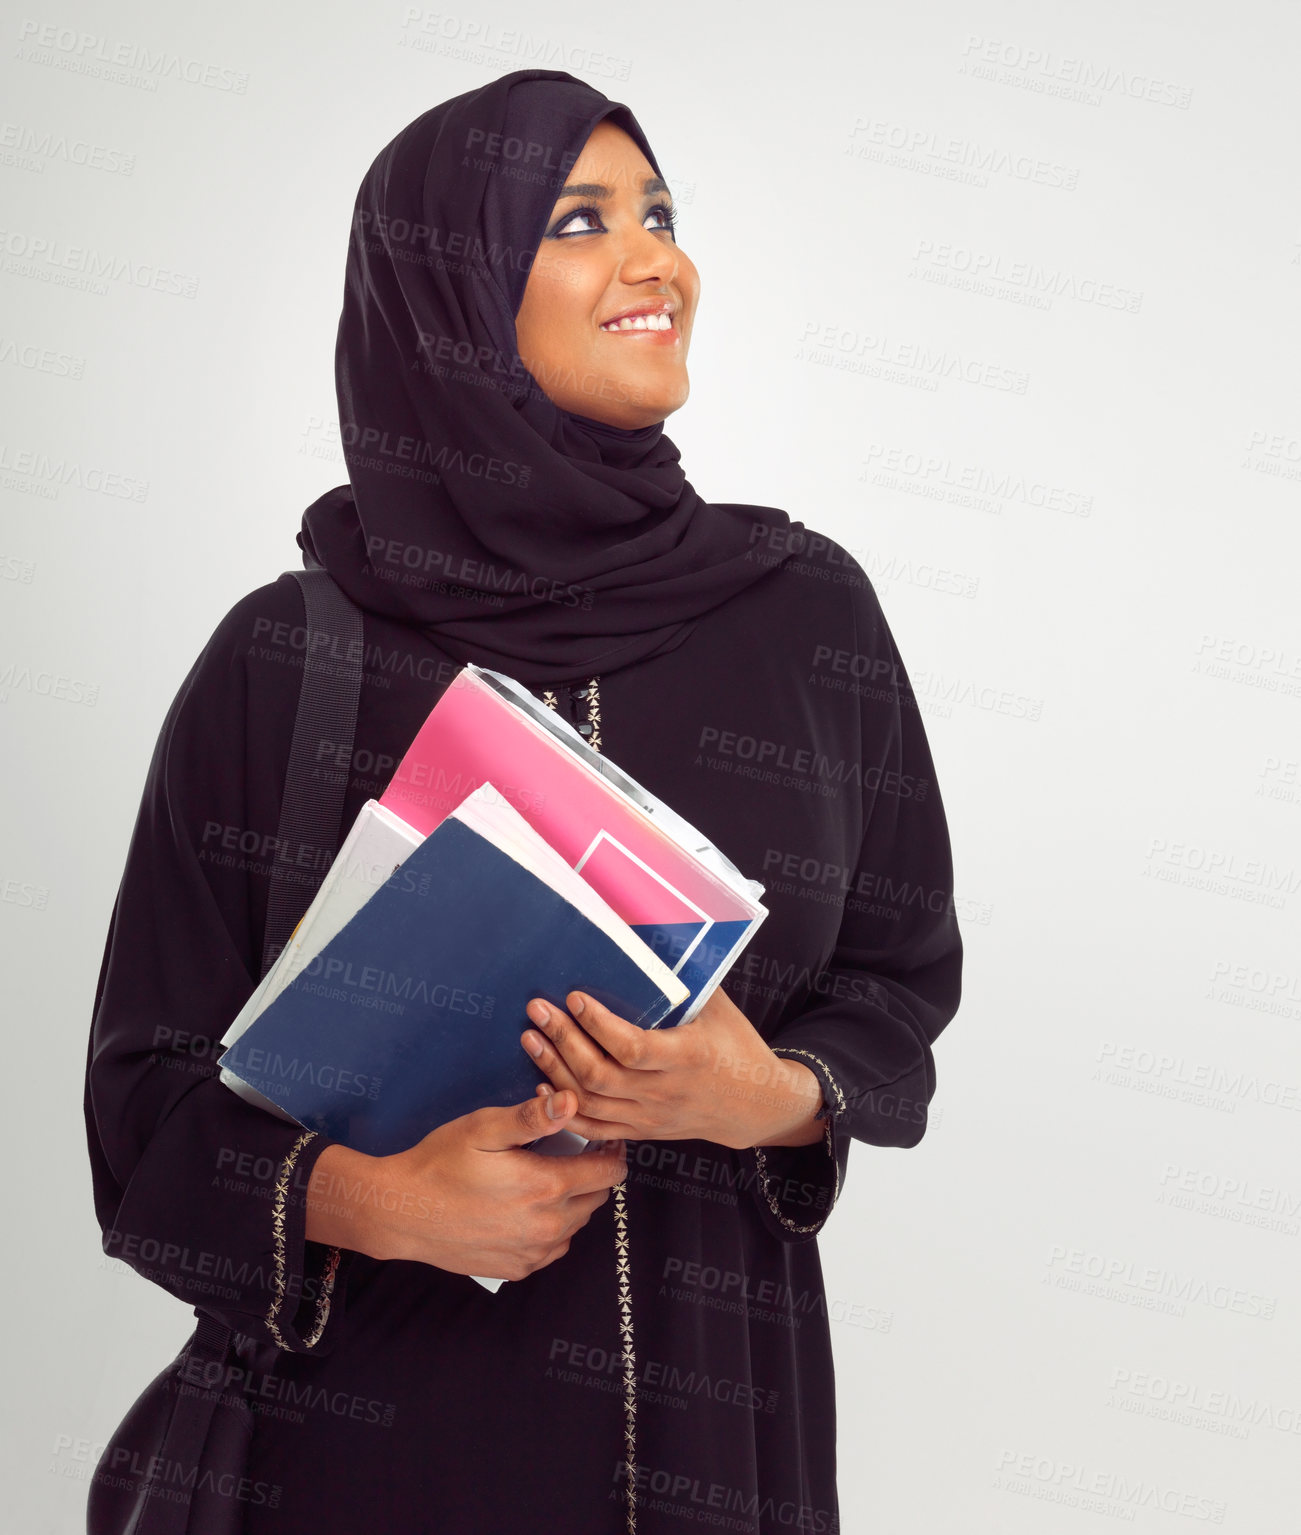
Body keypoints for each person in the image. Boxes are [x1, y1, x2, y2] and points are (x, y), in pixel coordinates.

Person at [84, 69, 963, 1534]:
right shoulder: (290, 658)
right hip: (370, 1460)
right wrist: (369, 1201)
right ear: (445, 291)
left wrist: (776, 1098)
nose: (654, 259)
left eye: (660, 214)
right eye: (577, 220)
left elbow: (896, 978)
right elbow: (141, 1107)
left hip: (720, 1442)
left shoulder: (804, 616)